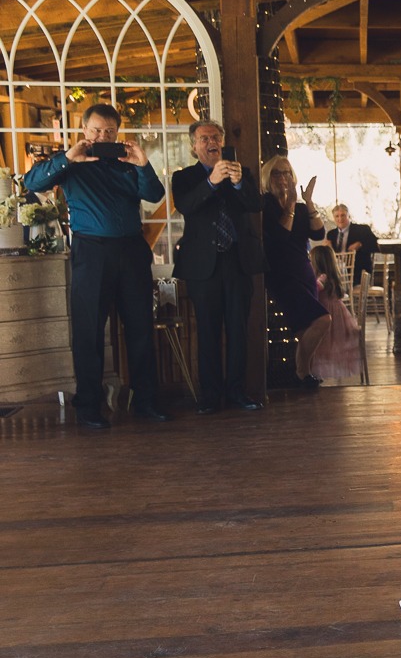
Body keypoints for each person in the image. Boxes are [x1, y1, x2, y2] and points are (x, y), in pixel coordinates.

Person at [24, 103, 168, 428]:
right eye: (97, 130)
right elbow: (32, 183)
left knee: (141, 328)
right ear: (85, 130)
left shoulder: (129, 165)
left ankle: (145, 401)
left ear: (118, 132)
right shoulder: (70, 165)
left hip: (131, 251)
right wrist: (67, 158)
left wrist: (143, 164)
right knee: (89, 331)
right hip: (91, 253)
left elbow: (155, 194)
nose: (103, 136)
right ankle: (88, 406)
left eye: (109, 131)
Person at [171, 120, 264, 415]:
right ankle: (210, 396)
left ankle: (237, 391)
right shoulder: (183, 177)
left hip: (238, 261)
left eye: (216, 137)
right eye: (205, 138)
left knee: (238, 330)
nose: (212, 142)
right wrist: (211, 181)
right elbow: (187, 205)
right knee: (208, 332)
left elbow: (255, 205)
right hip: (203, 266)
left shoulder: (242, 173)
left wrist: (236, 183)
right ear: (194, 146)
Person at [260, 156, 331, 387]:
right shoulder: (265, 205)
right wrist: (290, 205)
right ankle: (300, 372)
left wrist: (308, 202)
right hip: (282, 275)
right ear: (267, 178)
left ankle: (304, 375)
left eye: (287, 173)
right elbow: (280, 237)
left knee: (305, 328)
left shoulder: (301, 208)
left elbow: (319, 235)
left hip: (303, 271)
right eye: (277, 173)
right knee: (322, 319)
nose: (283, 178)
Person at [309, 244, 361, 382]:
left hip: (329, 316)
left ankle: (311, 372)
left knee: (314, 338)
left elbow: (314, 289)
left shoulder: (322, 277)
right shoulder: (330, 276)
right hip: (336, 314)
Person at [325, 204, 378, 285]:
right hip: (337, 274)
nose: (340, 219)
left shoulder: (362, 230)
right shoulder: (331, 234)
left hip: (358, 273)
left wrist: (361, 244)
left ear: (348, 216)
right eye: (337, 216)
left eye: (343, 215)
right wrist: (327, 249)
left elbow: (377, 246)